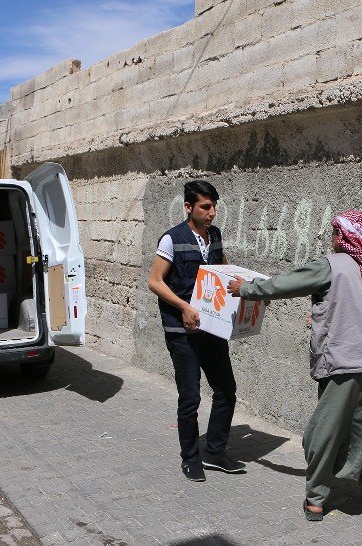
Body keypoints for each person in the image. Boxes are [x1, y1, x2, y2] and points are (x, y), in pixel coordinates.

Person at [227, 209, 362, 541]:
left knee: (324, 433)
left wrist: (246, 288)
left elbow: (285, 284)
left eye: (335, 234)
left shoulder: (331, 266)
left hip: (348, 366)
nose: (331, 239)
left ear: (344, 239)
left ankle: (316, 500)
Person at [147, 180, 245, 482]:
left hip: (212, 329)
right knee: (190, 397)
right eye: (205, 207)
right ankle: (190, 458)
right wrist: (184, 307)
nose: (212, 213)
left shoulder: (214, 236)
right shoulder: (171, 240)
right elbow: (155, 281)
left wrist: (247, 287)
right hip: (182, 332)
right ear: (188, 207)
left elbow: (223, 269)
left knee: (226, 389)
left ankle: (215, 450)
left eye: (214, 206)